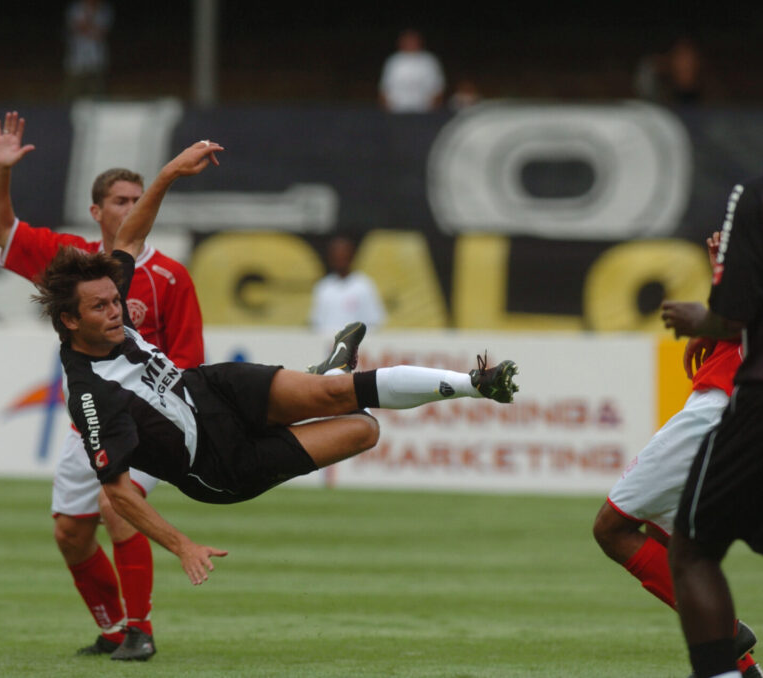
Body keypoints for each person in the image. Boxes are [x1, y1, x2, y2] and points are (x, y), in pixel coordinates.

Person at [32, 139, 521, 586]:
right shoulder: (91, 394)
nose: (116, 309)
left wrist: (170, 174)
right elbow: (117, 493)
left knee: (335, 396)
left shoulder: (101, 296)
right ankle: (332, 371)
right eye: (101, 307)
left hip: (214, 389)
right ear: (71, 321)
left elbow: (130, 240)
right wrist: (183, 547)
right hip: (221, 465)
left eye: (114, 300)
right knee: (363, 430)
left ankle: (475, 382)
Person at [0, 111, 206, 660]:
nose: (130, 209)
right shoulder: (72, 264)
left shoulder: (170, 276)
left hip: (150, 421)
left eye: (137, 200)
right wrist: (1, 172)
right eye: (120, 201)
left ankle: (140, 630)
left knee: (117, 506)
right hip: (91, 418)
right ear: (97, 211)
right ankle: (110, 630)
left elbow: (188, 360)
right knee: (69, 533)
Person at [593, 231, 762, 678]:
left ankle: (727, 638)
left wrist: (716, 313)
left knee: (614, 528)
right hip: (732, 404)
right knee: (682, 542)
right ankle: (740, 665)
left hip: (721, 409)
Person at [661, 172, 763, 678]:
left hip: (761, 398)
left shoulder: (758, 194)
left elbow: (733, 316)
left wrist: (698, 318)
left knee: (693, 546)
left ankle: (727, 670)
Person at [309, 234, 386, 337]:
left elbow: (374, 322)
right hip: (328, 347)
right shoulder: (323, 287)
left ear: (352, 255)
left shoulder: (364, 285)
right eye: (336, 254)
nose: (340, 258)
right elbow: (316, 323)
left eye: (343, 253)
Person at [378, 28, 445, 112]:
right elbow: (384, 89)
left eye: (413, 41)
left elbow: (438, 88)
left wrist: (432, 111)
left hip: (423, 111)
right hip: (397, 111)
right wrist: (387, 111)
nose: (410, 44)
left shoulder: (429, 61)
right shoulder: (393, 61)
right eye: (407, 41)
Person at [63, 0, 114, 99]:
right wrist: (90, 25)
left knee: (97, 92)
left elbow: (101, 33)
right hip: (77, 58)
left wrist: (88, 26)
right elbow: (76, 27)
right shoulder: (76, 8)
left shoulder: (104, 10)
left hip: (96, 58)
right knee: (71, 92)